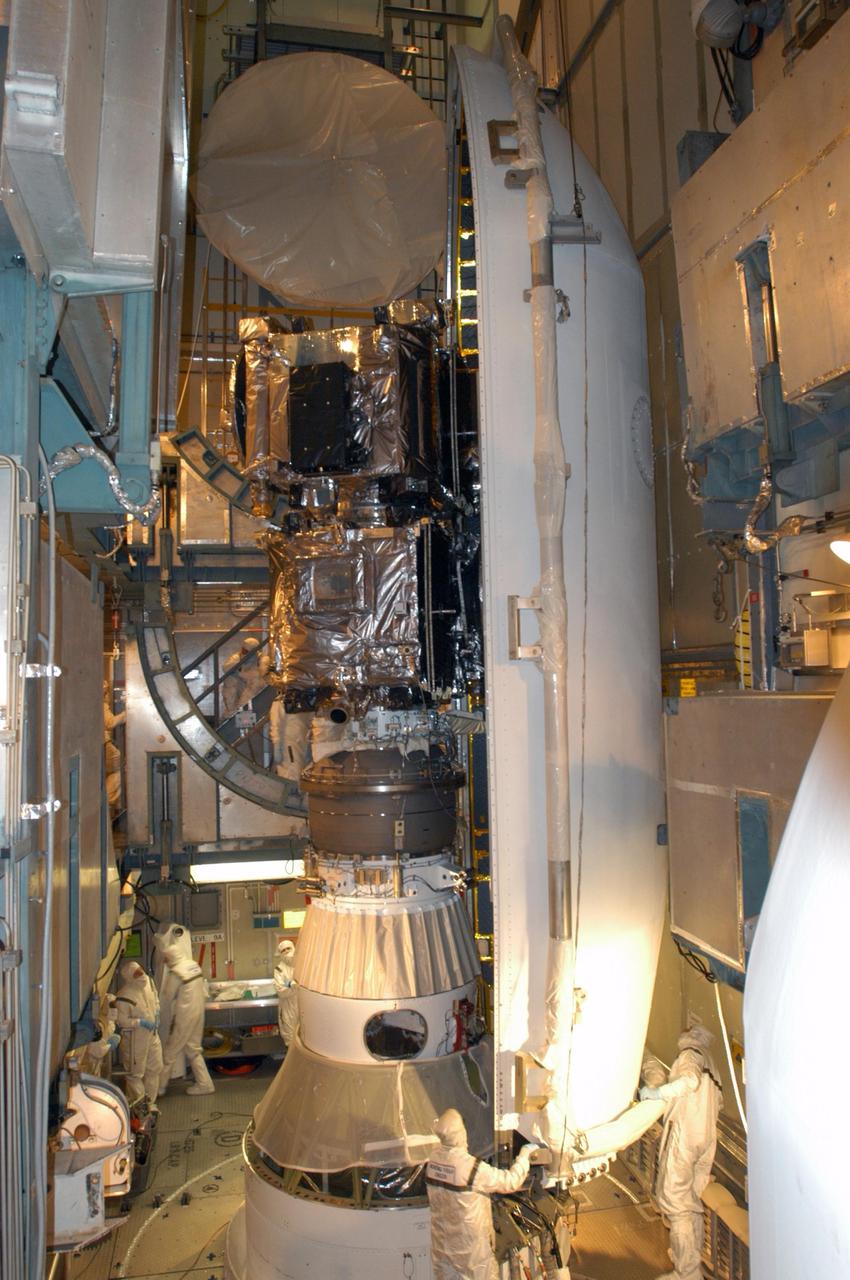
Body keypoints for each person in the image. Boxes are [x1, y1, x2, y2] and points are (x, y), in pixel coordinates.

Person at [640, 1021, 723, 1280]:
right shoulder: (712, 1063)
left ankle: (686, 1273)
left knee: (675, 1203)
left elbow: (688, 1081)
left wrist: (657, 1093)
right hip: (706, 1139)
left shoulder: (690, 1056)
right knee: (691, 1203)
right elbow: (718, 1102)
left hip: (686, 1136)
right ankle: (690, 1261)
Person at [426, 1108, 540, 1280]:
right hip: (472, 1251)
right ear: (460, 1134)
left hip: (442, 1246)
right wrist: (524, 1156)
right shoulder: (471, 1168)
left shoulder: (433, 1160)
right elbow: (510, 1182)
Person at [157, 943, 215, 1096]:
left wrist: (158, 1014)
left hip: (185, 1014)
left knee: (171, 1051)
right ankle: (205, 1084)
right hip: (199, 1012)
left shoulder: (176, 972)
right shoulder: (193, 965)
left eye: (166, 959)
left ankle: (159, 1088)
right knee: (193, 1050)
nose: (165, 962)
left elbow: (167, 996)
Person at [114, 959, 164, 1104]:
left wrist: (157, 1013)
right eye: (136, 974)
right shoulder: (123, 996)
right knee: (135, 1074)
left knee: (155, 1068)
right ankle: (139, 1109)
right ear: (129, 978)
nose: (141, 975)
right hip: (135, 1040)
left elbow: (155, 999)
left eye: (140, 971)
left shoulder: (148, 982)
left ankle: (150, 1104)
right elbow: (122, 1021)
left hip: (152, 1035)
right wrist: (139, 1022)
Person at [273, 938, 298, 1047]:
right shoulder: (279, 969)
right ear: (280, 953)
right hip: (288, 1007)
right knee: (290, 1037)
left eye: (289, 948)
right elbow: (280, 990)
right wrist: (292, 986)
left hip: (304, 1005)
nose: (287, 951)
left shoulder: (302, 964)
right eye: (283, 950)